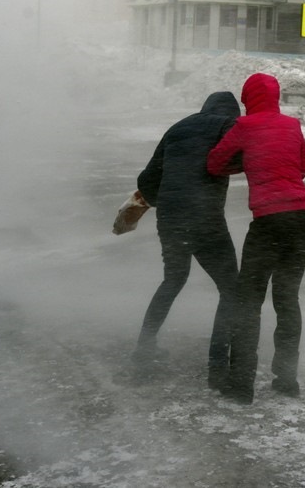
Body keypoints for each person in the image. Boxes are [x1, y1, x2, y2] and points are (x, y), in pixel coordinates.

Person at [206, 73, 305, 404]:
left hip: (268, 222)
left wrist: (246, 163)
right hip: (302, 220)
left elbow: (214, 164)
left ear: (247, 99)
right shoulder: (292, 126)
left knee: (248, 303)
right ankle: (286, 379)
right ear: (276, 97)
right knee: (287, 299)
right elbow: (301, 168)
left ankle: (241, 385)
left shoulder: (244, 127)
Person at [133, 91, 241, 389]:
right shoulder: (227, 125)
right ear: (232, 112)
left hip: (170, 218)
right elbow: (243, 157)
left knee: (173, 279)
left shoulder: (178, 127)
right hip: (205, 217)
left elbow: (146, 180)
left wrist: (166, 202)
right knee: (230, 288)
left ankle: (144, 347)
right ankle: (217, 368)